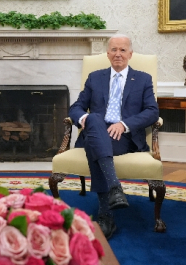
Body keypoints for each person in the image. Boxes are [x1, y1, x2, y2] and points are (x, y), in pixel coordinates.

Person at [68, 34, 159, 239]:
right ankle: (114, 188)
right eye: (114, 50)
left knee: (94, 142)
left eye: (123, 50)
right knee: (95, 120)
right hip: (95, 130)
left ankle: (105, 214)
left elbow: (152, 111)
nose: (118, 54)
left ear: (130, 54)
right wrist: (85, 119)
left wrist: (124, 124)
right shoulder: (95, 77)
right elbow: (76, 108)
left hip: (124, 137)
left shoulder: (143, 79)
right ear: (107, 53)